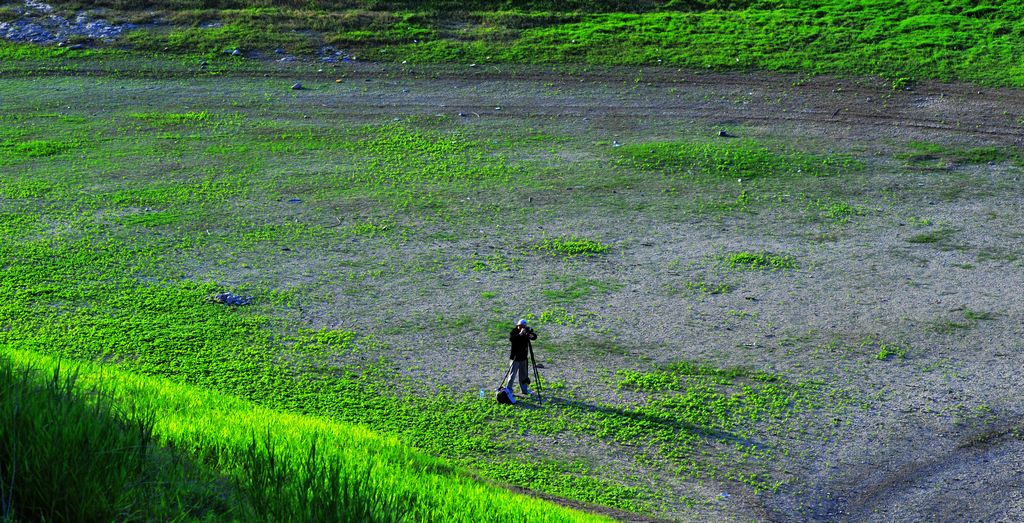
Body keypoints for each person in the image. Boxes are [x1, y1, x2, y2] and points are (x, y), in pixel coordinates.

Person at [505, 319, 537, 395]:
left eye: (524, 326)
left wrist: (531, 335)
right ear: (517, 326)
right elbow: (512, 339)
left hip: (523, 357)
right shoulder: (514, 331)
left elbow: (534, 336)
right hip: (515, 358)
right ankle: (508, 390)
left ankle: (524, 390)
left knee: (524, 375)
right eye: (521, 326)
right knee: (512, 375)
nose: (522, 328)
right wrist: (520, 334)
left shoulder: (526, 331)